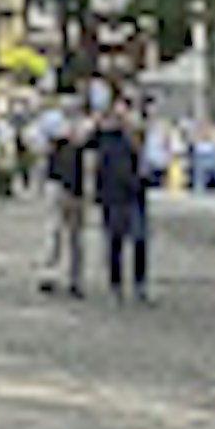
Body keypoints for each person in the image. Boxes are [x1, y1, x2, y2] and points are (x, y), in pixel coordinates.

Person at [88, 93, 153, 298]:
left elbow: (148, 161)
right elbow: (87, 145)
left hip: (135, 193)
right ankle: (116, 283)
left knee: (139, 239)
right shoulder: (106, 136)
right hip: (112, 194)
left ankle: (139, 283)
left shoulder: (137, 136)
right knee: (115, 240)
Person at [42, 104, 94, 297]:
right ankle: (50, 274)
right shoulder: (53, 121)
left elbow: (86, 141)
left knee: (75, 235)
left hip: (76, 186)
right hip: (57, 182)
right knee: (55, 231)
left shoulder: (86, 125)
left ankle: (75, 278)